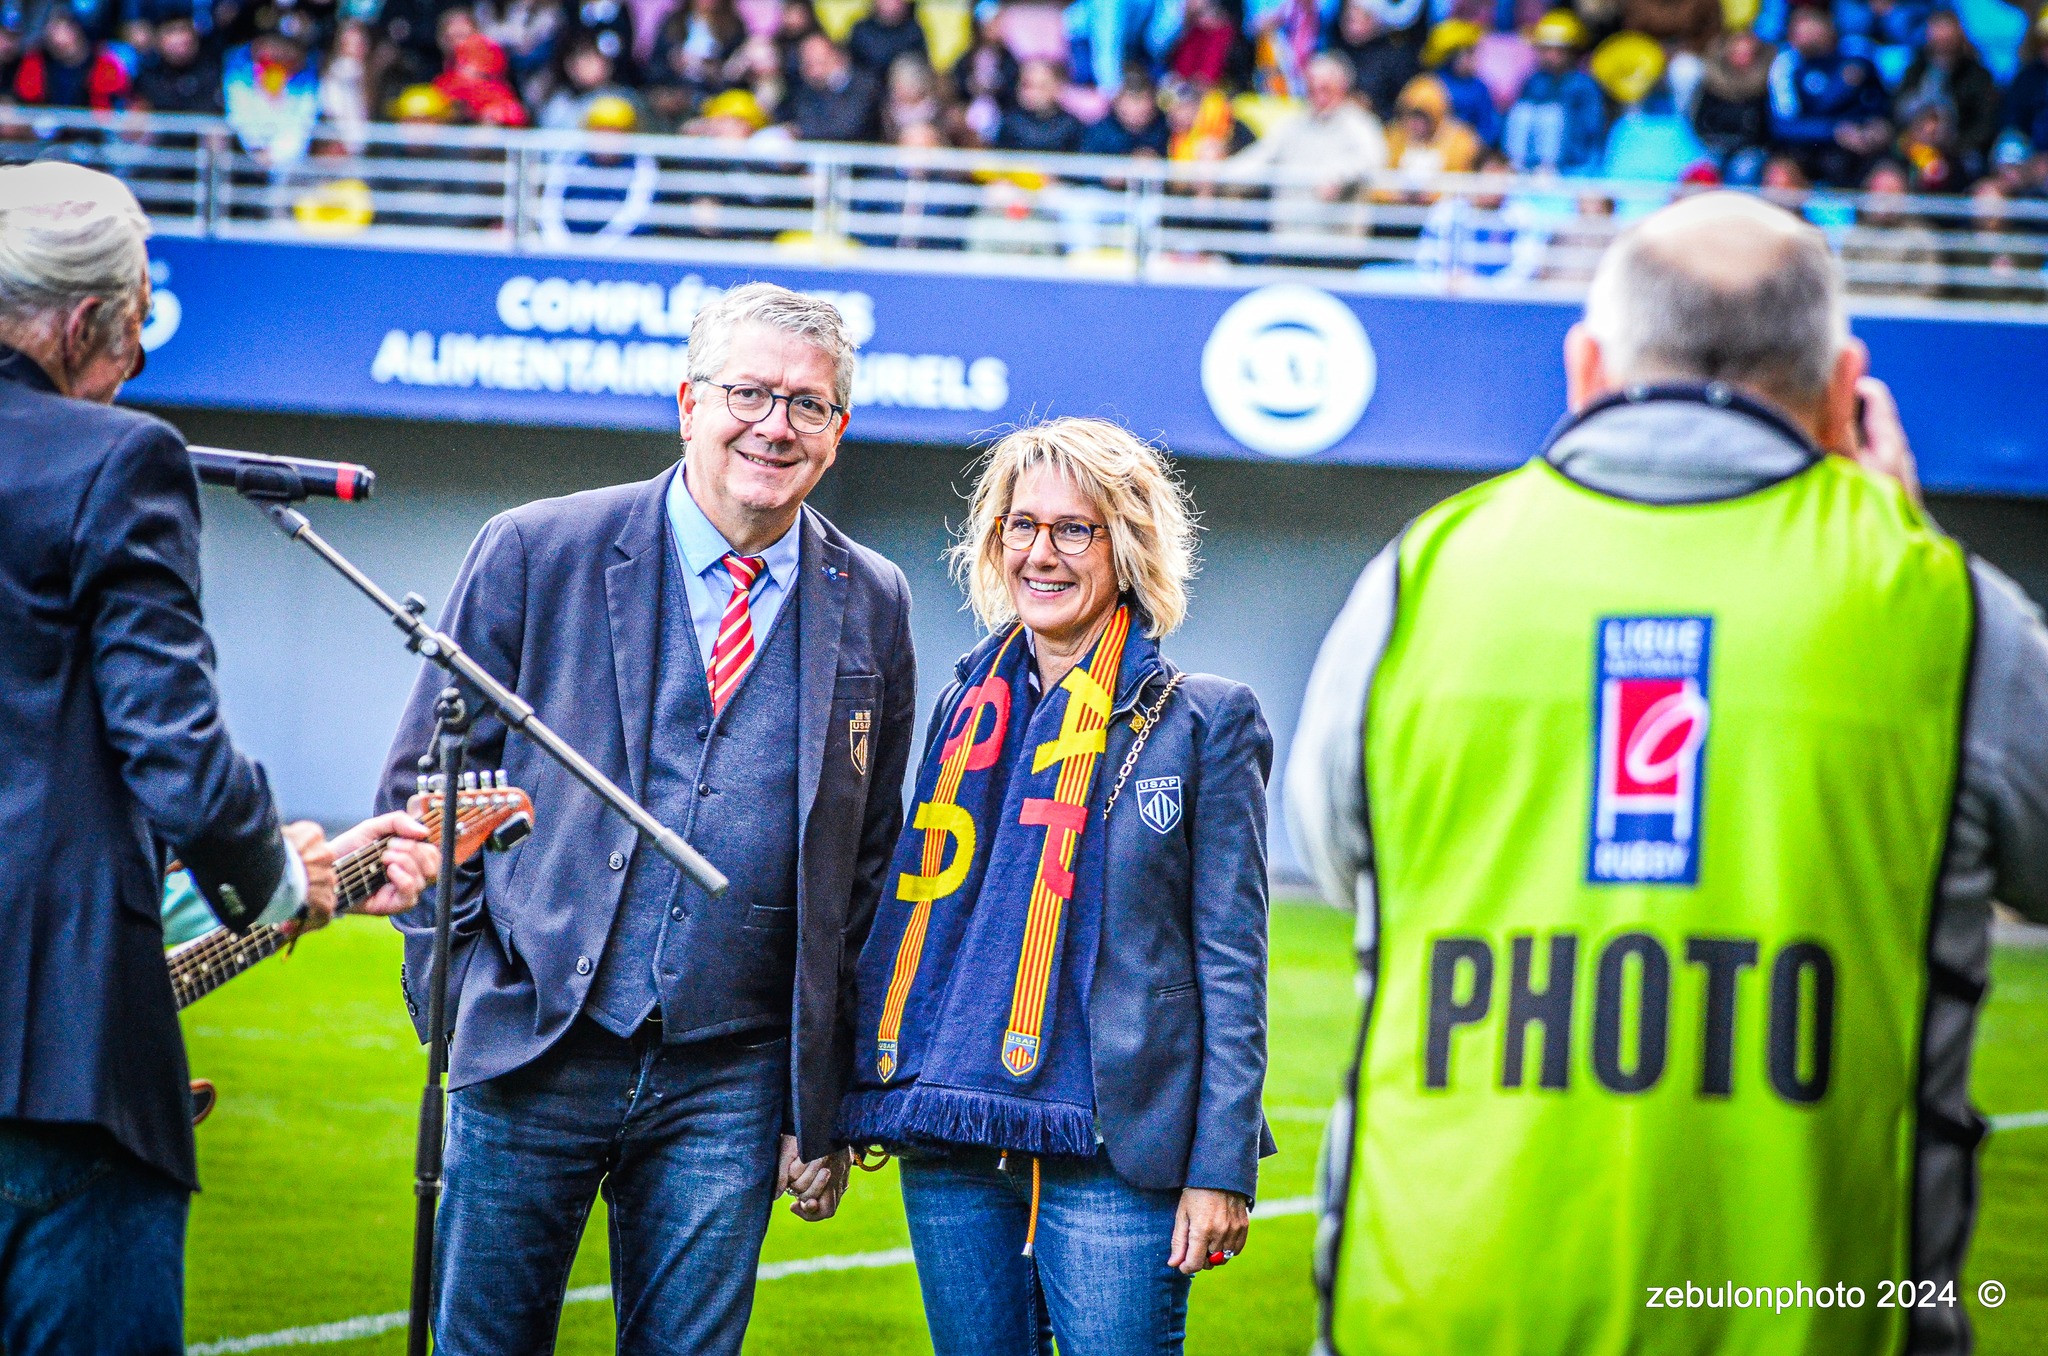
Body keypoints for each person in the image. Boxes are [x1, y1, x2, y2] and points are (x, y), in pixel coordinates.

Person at [1290, 189, 2048, 1356]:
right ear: (1846, 389)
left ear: (1583, 366)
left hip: (1431, 1310)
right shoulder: (1950, 613)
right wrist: (1899, 550)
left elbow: (1349, 868)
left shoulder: (1417, 579)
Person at [374, 282, 917, 1356]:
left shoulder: (875, 597)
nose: (774, 425)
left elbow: (865, 865)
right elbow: (423, 796)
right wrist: (468, 985)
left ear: (838, 432)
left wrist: (826, 1092)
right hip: (531, 1046)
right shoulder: (537, 549)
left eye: (806, 406)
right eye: (748, 394)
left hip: (733, 1073)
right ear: (687, 402)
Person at [0, 161, 436, 1353]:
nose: (134, 369)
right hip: (52, 1079)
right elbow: (178, 760)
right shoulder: (116, 460)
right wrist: (282, 879)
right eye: (137, 332)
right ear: (86, 322)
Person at [840, 416, 1275, 1356]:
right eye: (1019, 526)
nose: (1041, 553)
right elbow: (907, 910)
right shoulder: (965, 704)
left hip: (1117, 1151)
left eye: (1074, 530)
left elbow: (1232, 964)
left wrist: (1221, 1165)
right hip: (955, 1137)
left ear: (1125, 547)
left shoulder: (1204, 720)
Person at [1768, 6, 1892, 187]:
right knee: (1780, 177)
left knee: (1888, 181)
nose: (1806, 31)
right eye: (1799, 26)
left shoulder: (1857, 53)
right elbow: (1783, 124)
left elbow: (1880, 101)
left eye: (1812, 23)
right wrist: (1835, 131)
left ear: (1829, 26)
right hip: (1805, 152)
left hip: (1862, 148)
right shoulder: (1786, 65)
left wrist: (1878, 125)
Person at [1504, 9, 1605, 173]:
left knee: (1551, 115)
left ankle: (1547, 166)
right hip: (1530, 165)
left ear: (1573, 51)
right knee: (1522, 111)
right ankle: (1516, 166)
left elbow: (1590, 128)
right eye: (1546, 49)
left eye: (1559, 50)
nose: (1551, 56)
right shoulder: (1533, 80)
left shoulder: (1584, 85)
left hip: (1573, 162)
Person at [788, 30, 882, 141]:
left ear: (837, 57)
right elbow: (803, 124)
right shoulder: (803, 92)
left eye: (820, 62)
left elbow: (847, 128)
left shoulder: (864, 86)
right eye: (808, 64)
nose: (814, 71)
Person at [993, 57, 1085, 152]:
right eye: (1027, 86)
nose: (1033, 93)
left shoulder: (1070, 126)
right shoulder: (1010, 123)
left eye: (1041, 86)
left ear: (1056, 86)